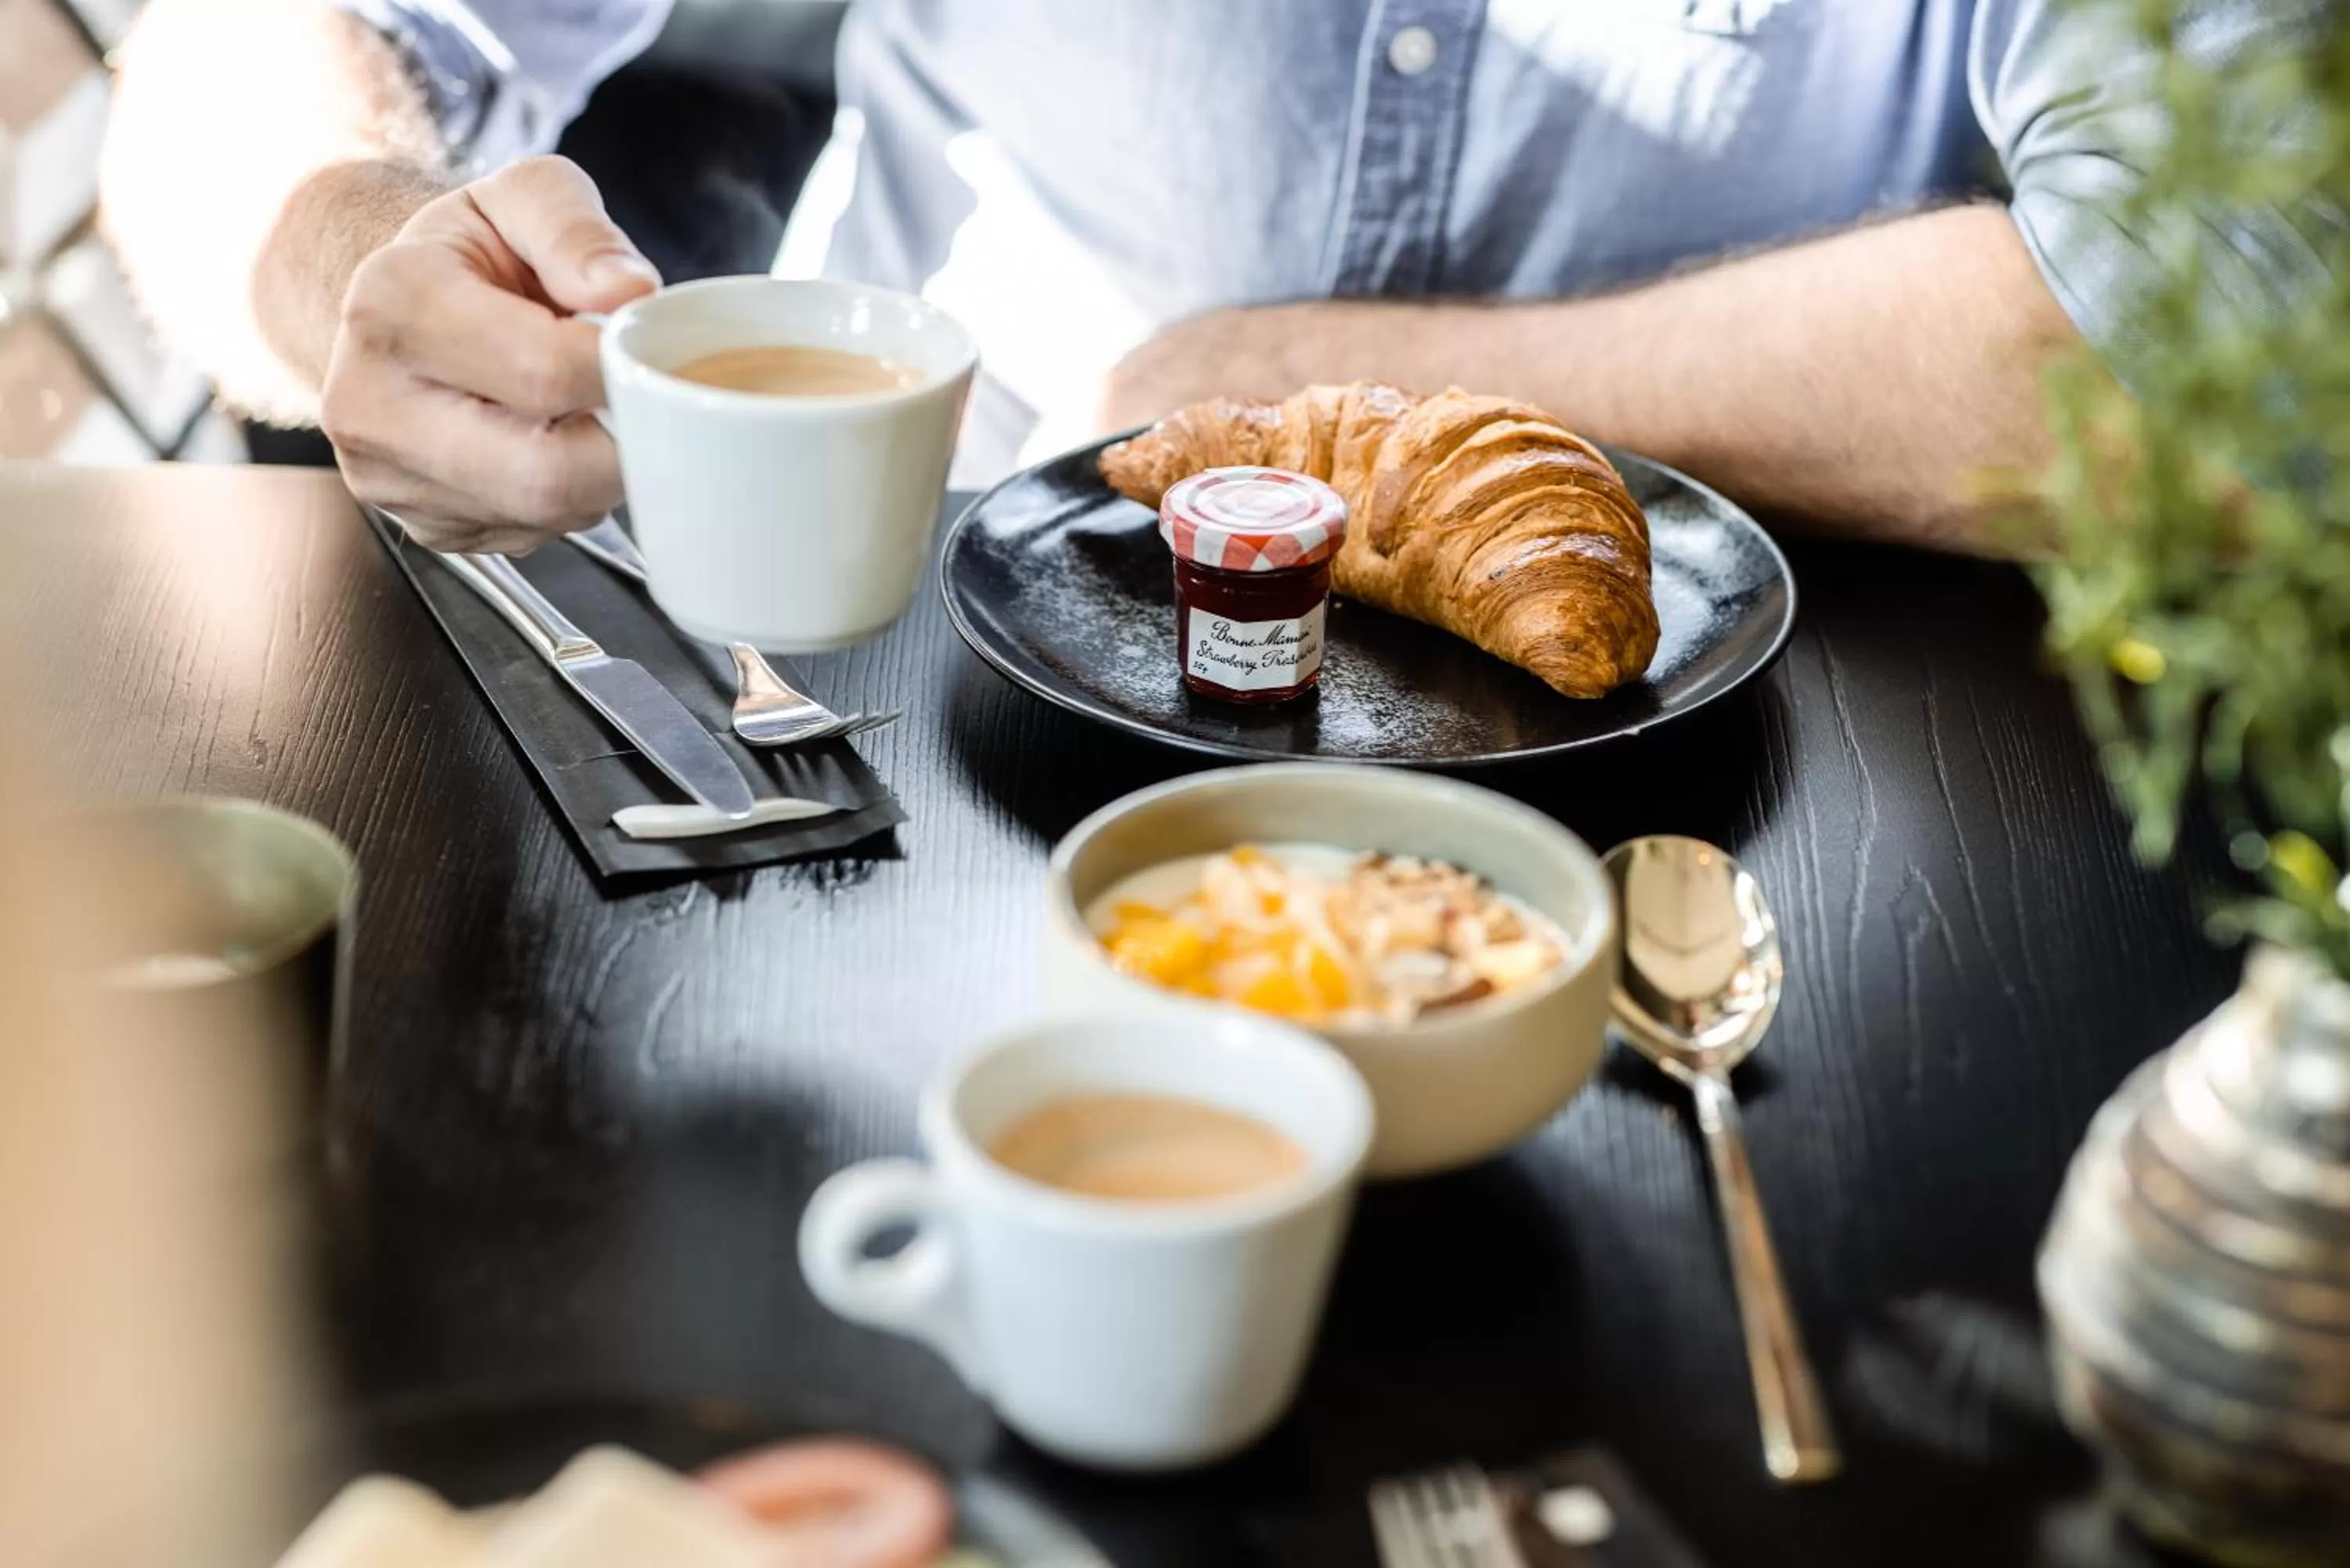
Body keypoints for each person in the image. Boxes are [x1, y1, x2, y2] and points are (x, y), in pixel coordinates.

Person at [100, 1, 2322, 558]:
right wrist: (351, 262)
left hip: (1698, 802)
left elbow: (2242, 341)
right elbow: (237, 66)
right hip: (871, 714)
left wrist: (1292, 385)